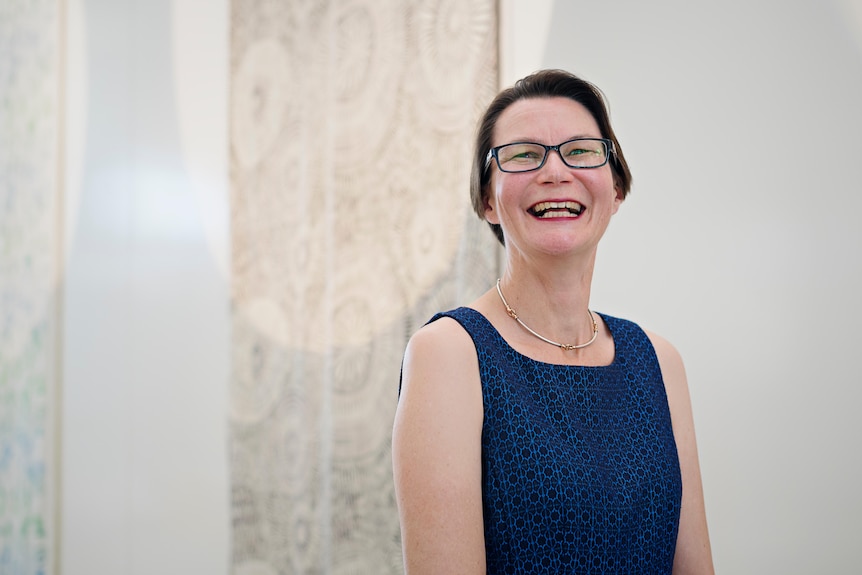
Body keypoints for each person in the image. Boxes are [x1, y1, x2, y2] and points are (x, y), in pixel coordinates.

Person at [391, 69, 714, 574]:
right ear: (487, 201)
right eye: (523, 155)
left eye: (581, 151)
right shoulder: (449, 353)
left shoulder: (658, 359)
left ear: (617, 188)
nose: (555, 171)